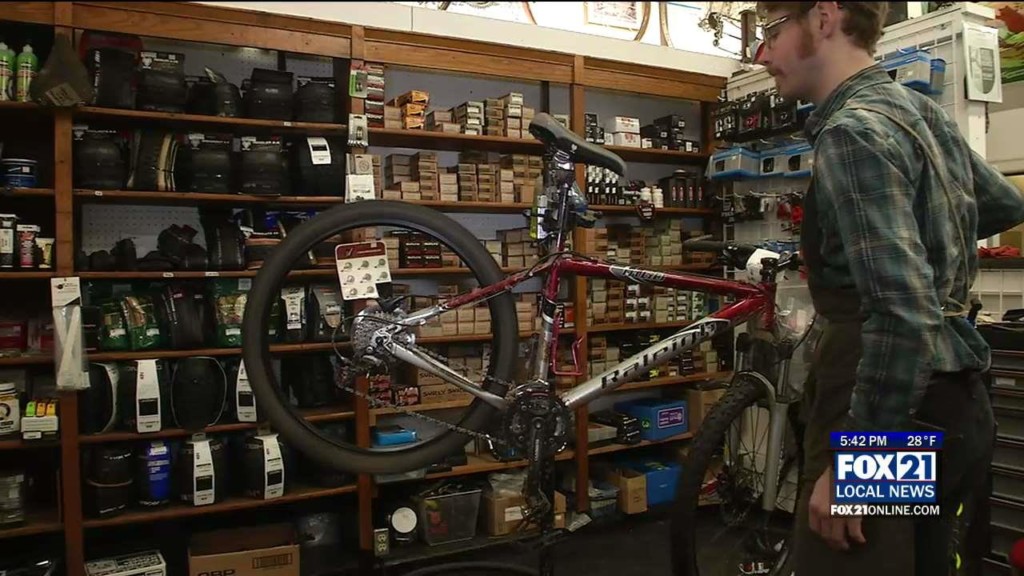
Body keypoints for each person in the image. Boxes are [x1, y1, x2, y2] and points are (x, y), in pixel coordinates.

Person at [753, 2, 1024, 575]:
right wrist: (931, 243)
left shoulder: (852, 133)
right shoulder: (915, 109)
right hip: (952, 396)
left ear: (824, 17)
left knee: (850, 561)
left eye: (771, 31)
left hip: (887, 398)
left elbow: (902, 312)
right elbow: (1002, 203)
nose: (761, 54)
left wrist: (854, 469)